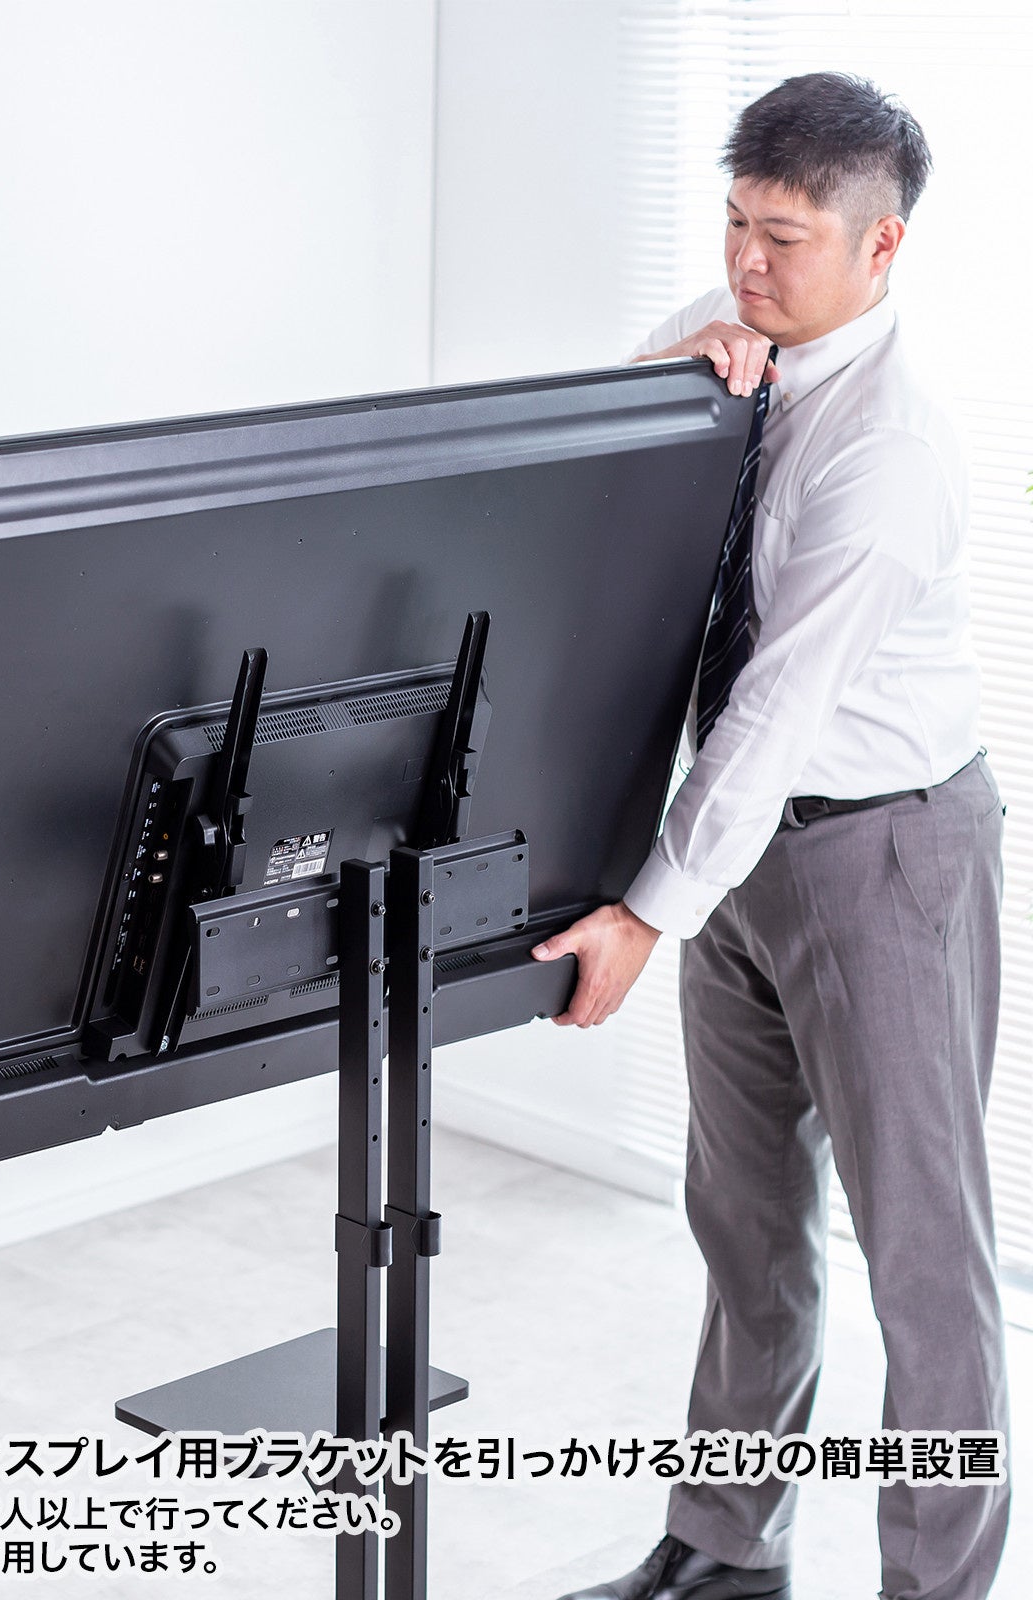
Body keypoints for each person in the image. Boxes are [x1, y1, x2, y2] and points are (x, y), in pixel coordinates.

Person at [532, 74, 1009, 1600]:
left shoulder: (890, 457)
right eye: (736, 222)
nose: (746, 260)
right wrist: (666, 376)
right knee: (744, 1221)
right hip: (737, 848)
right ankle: (726, 1552)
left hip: (883, 857)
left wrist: (645, 911)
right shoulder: (732, 322)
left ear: (881, 247)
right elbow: (593, 478)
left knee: (922, 1261)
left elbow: (777, 714)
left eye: (785, 238)